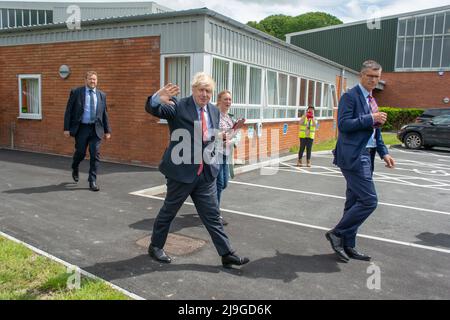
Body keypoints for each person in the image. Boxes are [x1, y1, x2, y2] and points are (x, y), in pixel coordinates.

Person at [144, 72, 249, 269]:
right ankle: (155, 246)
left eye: (208, 91)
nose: (204, 94)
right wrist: (158, 96)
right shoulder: (178, 106)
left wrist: (222, 138)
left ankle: (227, 254)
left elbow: (208, 137)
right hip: (181, 172)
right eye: (201, 90)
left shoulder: (214, 111)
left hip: (205, 174)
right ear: (193, 90)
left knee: (212, 216)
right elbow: (153, 108)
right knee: (169, 212)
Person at [326, 60, 395, 262]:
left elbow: (376, 130)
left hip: (369, 154)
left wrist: (384, 152)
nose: (374, 79)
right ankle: (337, 233)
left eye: (377, 76)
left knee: (354, 201)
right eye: (370, 76)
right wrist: (370, 117)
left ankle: (349, 245)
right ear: (361, 75)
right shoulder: (350, 96)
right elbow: (344, 125)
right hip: (355, 156)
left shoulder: (372, 99)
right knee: (369, 200)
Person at [63, 71, 111, 192]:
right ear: (85, 80)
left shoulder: (102, 95)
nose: (92, 81)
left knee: (95, 154)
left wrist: (107, 130)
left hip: (96, 129)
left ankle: (92, 181)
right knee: (81, 152)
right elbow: (68, 111)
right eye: (90, 79)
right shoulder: (76, 92)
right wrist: (66, 128)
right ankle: (75, 166)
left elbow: (104, 114)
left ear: (97, 81)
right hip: (82, 128)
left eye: (94, 79)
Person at [216, 90, 244, 226]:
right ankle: (215, 214)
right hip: (215, 154)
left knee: (224, 183)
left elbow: (237, 135)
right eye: (225, 99)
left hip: (226, 155)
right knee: (219, 183)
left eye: (229, 100)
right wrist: (221, 136)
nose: (228, 102)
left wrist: (230, 140)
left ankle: (208, 207)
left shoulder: (230, 118)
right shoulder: (214, 116)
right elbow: (210, 133)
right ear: (219, 101)